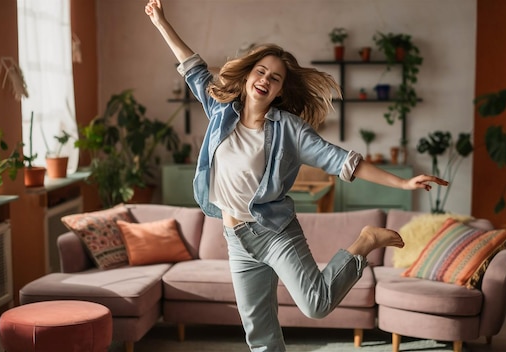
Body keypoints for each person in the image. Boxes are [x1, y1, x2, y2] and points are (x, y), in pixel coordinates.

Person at [145, 1, 448, 350]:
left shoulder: (289, 130)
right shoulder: (220, 112)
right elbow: (192, 68)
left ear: (279, 91)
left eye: (275, 78)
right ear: (247, 76)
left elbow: (342, 161)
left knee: (316, 304)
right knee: (259, 334)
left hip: (274, 232)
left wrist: (403, 182)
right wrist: (160, 22)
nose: (265, 80)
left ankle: (364, 242)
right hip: (235, 238)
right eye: (260, 71)